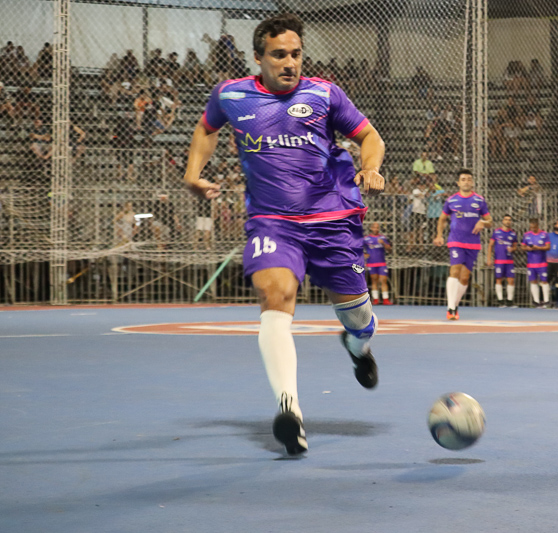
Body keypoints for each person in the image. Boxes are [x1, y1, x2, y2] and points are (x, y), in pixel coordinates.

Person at [183, 14, 385, 456]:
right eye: (279, 55)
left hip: (333, 219)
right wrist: (193, 173)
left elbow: (369, 135)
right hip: (272, 221)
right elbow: (205, 129)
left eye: (295, 54)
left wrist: (370, 167)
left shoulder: (324, 93)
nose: (290, 62)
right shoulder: (231, 95)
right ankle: (289, 410)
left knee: (358, 319)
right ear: (258, 58)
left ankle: (358, 348)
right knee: (275, 297)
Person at [434, 169, 491, 320]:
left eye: (469, 179)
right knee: (454, 271)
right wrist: (439, 235)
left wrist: (483, 222)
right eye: (463, 179)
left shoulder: (479, 200)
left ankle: (455, 305)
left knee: (465, 278)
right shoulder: (451, 200)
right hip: (456, 241)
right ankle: (451, 309)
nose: (466, 182)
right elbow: (442, 219)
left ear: (472, 182)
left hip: (473, 243)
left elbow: (490, 221)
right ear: (458, 183)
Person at [487, 214, 518, 307]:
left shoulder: (513, 233)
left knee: (511, 280)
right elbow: (490, 245)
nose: (508, 221)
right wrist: (489, 258)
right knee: (499, 279)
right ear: (503, 221)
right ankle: (500, 301)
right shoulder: (496, 232)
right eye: (506, 219)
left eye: (509, 220)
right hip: (499, 260)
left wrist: (512, 249)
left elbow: (515, 246)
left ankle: (509, 301)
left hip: (509, 261)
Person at [522, 218, 551, 307]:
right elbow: (522, 247)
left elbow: (548, 247)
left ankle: (546, 301)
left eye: (534, 227)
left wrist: (538, 248)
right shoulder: (526, 235)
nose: (533, 229)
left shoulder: (544, 234)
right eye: (531, 227)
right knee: (533, 281)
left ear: (538, 225)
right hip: (531, 263)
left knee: (544, 281)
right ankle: (536, 301)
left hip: (542, 262)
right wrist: (527, 248)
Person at [364, 222, 392, 305]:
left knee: (383, 280)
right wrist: (364, 254)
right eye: (374, 227)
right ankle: (375, 299)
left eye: (377, 227)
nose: (376, 229)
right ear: (371, 228)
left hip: (382, 262)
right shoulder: (366, 239)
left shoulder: (382, 238)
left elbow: (389, 250)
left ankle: (385, 299)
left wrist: (383, 243)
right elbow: (357, 248)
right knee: (374, 280)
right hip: (371, 263)